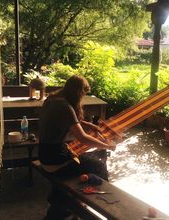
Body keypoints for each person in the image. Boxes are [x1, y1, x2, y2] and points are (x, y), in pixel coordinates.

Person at [38, 75, 116, 219]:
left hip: (44, 154)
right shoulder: (65, 107)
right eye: (83, 94)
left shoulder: (52, 99)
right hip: (55, 160)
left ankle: (64, 204)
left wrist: (90, 125)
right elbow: (83, 138)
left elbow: (74, 120)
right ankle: (100, 204)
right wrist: (107, 146)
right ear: (78, 92)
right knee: (98, 166)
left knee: (84, 161)